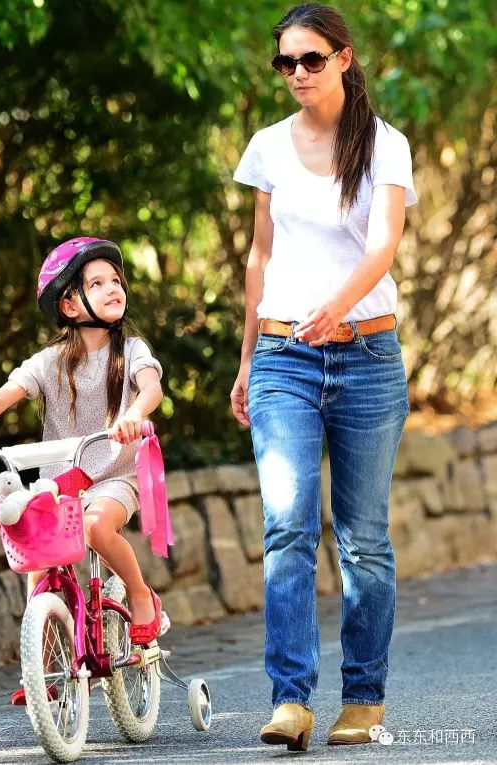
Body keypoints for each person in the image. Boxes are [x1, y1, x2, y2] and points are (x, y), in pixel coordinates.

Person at [230, 2, 417, 751]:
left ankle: (364, 698)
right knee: (288, 528)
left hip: (367, 356)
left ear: (343, 57)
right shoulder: (268, 147)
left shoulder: (385, 145)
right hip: (283, 356)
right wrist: (247, 357)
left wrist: (337, 308)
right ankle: (290, 700)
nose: (298, 73)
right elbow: (260, 256)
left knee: (363, 539)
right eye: (286, 62)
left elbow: (384, 245)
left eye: (312, 58)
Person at [0, 237, 165, 702]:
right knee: (36, 557)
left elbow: (151, 388)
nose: (113, 288)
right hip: (60, 484)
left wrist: (134, 414)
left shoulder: (131, 350)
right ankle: (41, 666)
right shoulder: (48, 363)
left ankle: (141, 594)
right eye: (96, 283)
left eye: (116, 281)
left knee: (97, 527)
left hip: (113, 477)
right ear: (69, 304)